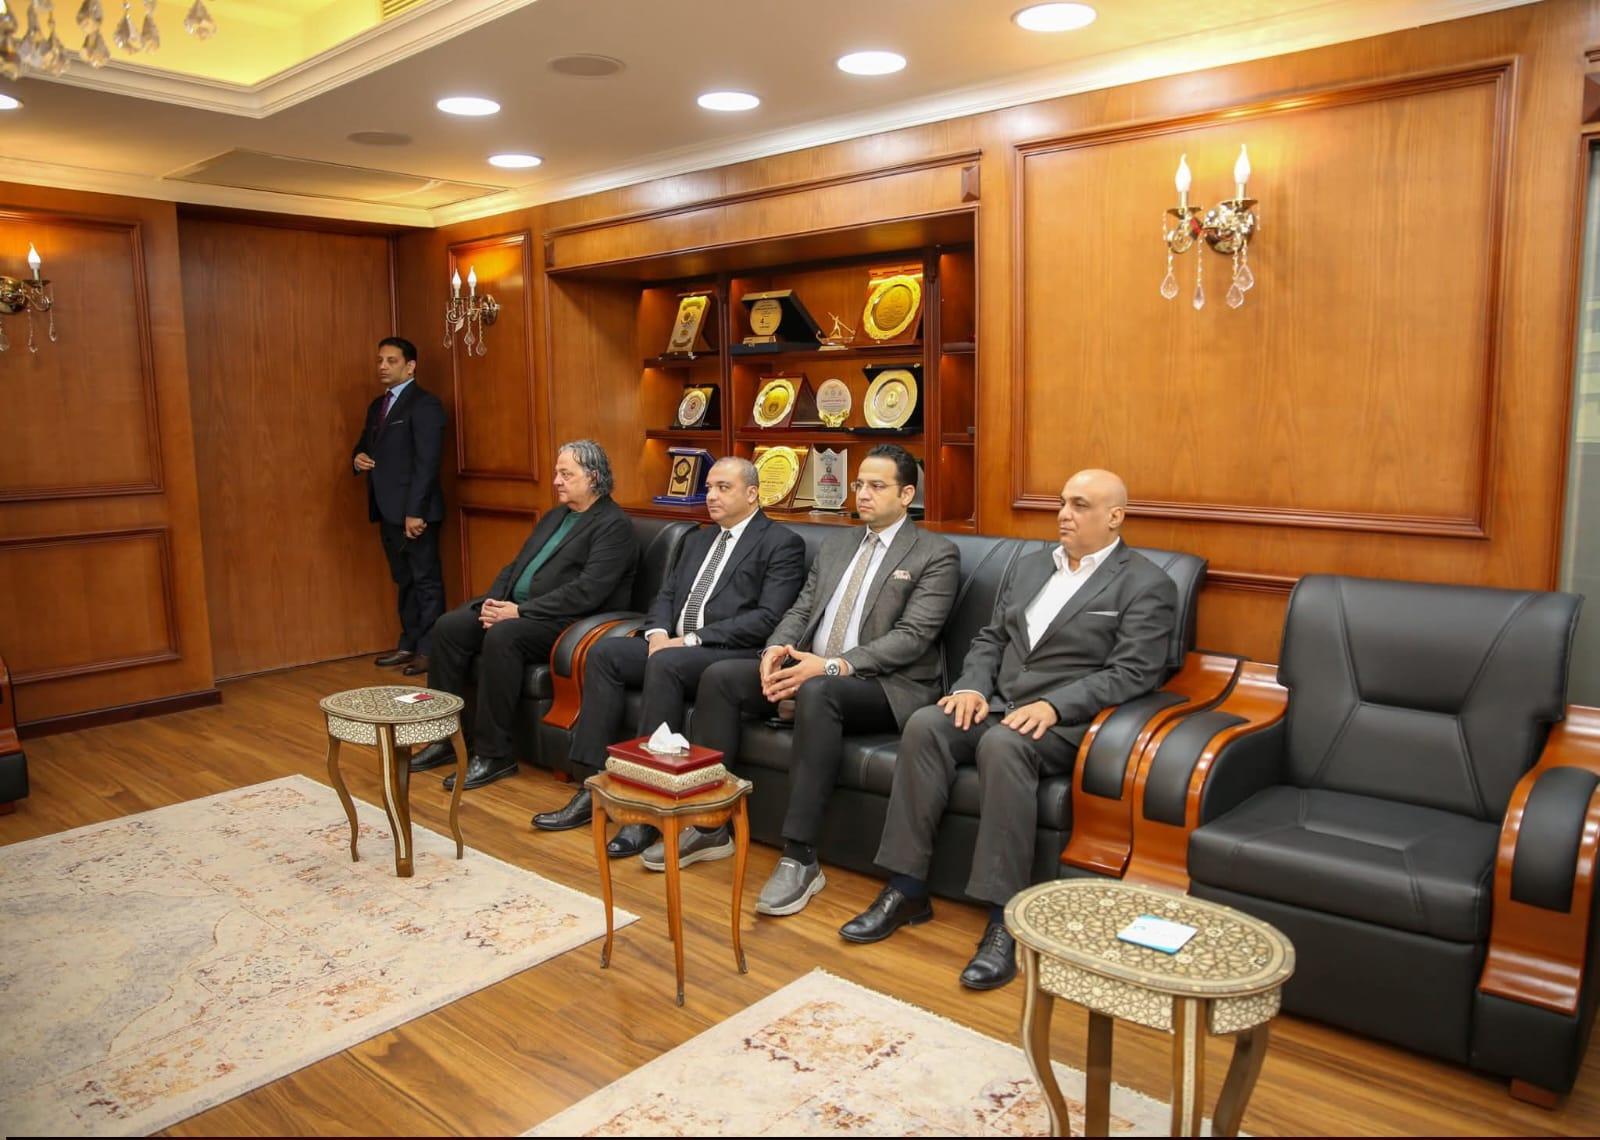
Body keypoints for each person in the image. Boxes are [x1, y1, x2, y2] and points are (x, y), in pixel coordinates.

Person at [841, 469, 1177, 990]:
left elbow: (1134, 672)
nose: (1064, 514)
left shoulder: (1146, 583)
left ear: (1115, 517)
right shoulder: (1031, 566)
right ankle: (907, 888)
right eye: (1062, 502)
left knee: (1003, 744)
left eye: (1080, 505)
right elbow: (991, 640)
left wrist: (1055, 705)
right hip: (996, 704)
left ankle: (1005, 920)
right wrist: (972, 687)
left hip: (1065, 722)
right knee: (927, 724)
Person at [673, 444, 959, 917]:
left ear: (907, 494)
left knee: (819, 691)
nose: (863, 494)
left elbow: (912, 638)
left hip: (884, 685)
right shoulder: (838, 544)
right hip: (809, 668)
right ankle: (710, 824)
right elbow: (802, 608)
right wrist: (775, 650)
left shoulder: (936, 553)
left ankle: (800, 855)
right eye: (860, 484)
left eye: (877, 486)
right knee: (722, 676)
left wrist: (830, 667)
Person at [532, 457, 807, 848]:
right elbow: (667, 595)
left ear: (751, 493)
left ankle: (647, 806)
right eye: (709, 487)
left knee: (665, 662)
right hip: (672, 645)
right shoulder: (698, 539)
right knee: (606, 654)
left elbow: (767, 618)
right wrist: (659, 632)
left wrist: (689, 640)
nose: (712, 496)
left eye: (723, 488)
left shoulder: (781, 543)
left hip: (729, 653)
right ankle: (591, 786)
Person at [407, 440, 638, 791]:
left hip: (568, 623)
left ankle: (495, 754)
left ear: (593, 477)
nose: (556, 481)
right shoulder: (556, 516)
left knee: (504, 635)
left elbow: (588, 591)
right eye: (557, 473)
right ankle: (444, 737)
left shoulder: (613, 526)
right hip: (519, 610)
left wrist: (519, 611)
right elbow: (516, 566)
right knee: (449, 627)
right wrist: (493, 602)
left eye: (566, 474)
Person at [352, 336, 445, 677]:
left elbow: (427, 462)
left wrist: (414, 512)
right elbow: (365, 445)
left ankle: (430, 650)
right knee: (403, 579)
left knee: (425, 581)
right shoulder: (377, 405)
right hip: (385, 508)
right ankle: (408, 643)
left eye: (391, 361)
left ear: (410, 366)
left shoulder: (425, 405)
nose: (382, 366)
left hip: (414, 511)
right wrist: (357, 458)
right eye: (380, 360)